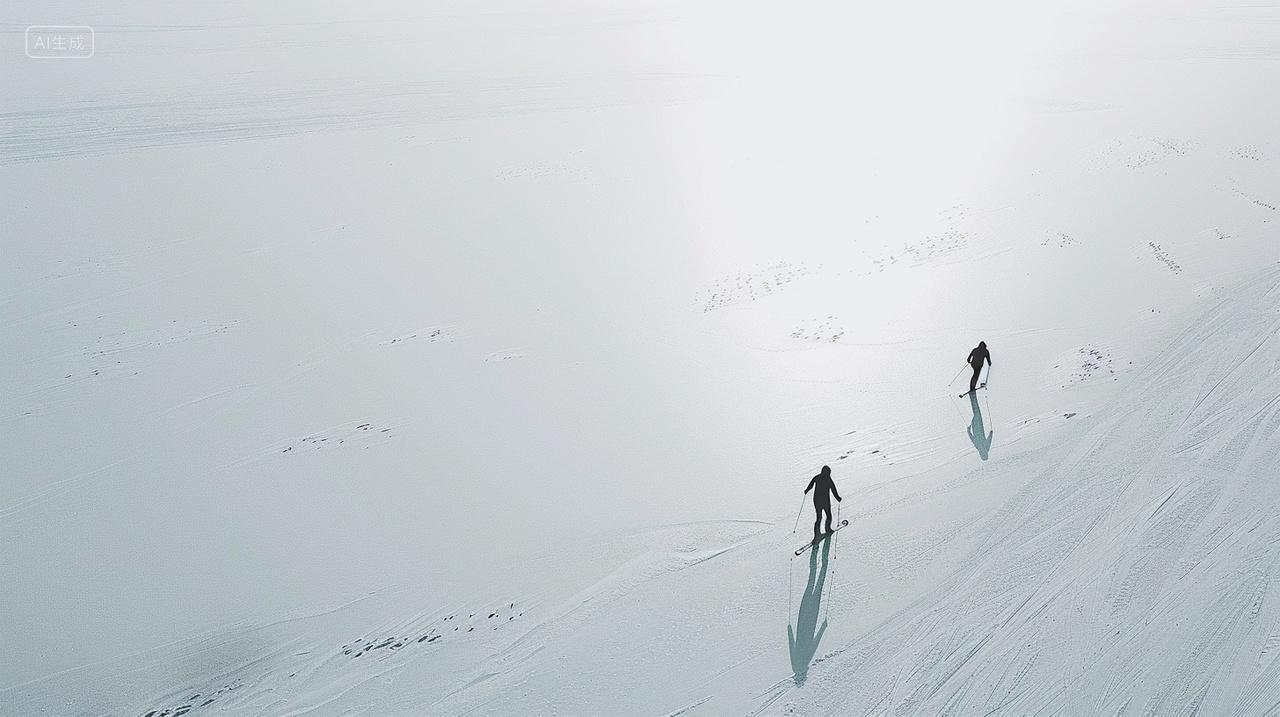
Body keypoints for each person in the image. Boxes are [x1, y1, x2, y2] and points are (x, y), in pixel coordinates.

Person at [804, 466, 842, 543]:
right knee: (828, 515)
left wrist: (806, 490)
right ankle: (828, 529)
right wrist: (838, 498)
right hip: (825, 501)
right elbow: (833, 490)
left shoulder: (817, 477)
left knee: (819, 518)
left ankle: (816, 535)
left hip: (817, 501)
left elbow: (810, 485)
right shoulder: (828, 479)